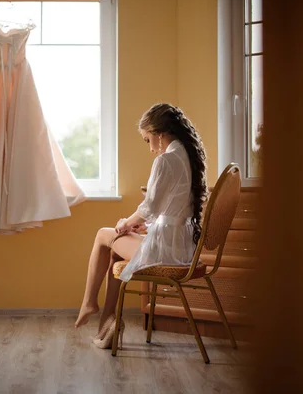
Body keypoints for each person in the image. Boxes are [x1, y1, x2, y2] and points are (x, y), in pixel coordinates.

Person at [74, 103, 208, 348]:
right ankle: (108, 322)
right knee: (115, 253)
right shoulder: (187, 156)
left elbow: (149, 207)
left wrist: (126, 223)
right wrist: (141, 227)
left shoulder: (166, 160)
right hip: (180, 246)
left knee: (103, 234)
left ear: (159, 134)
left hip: (166, 252)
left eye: (148, 140)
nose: (150, 148)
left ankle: (89, 302)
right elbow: (169, 210)